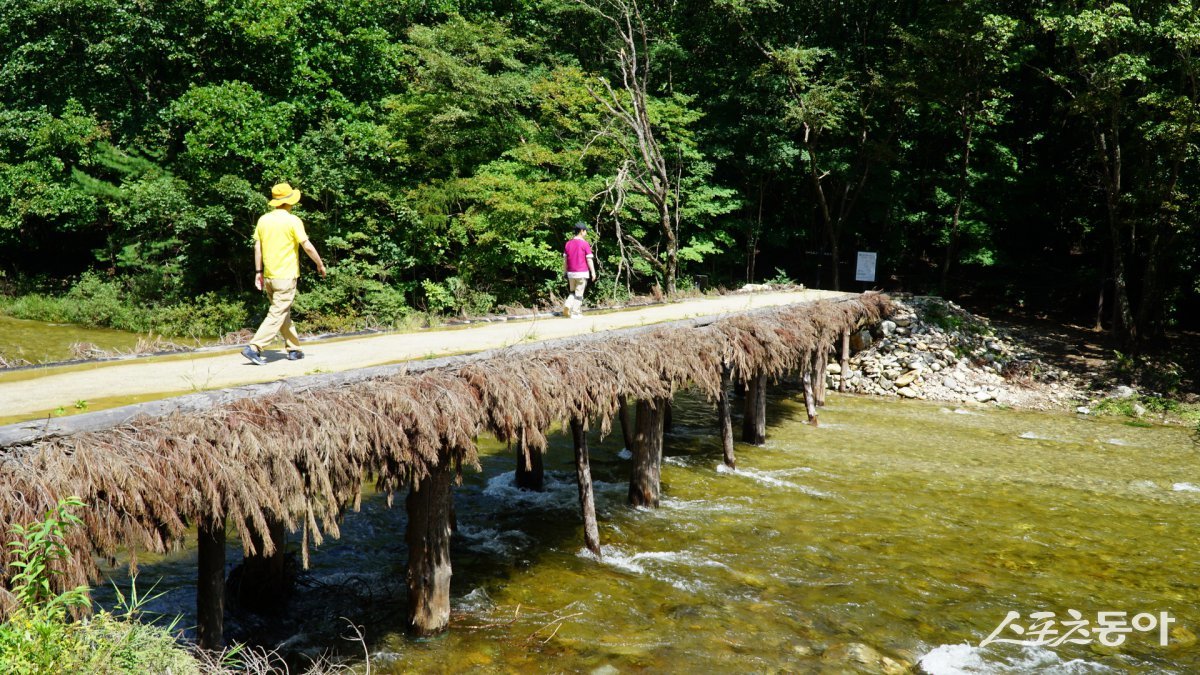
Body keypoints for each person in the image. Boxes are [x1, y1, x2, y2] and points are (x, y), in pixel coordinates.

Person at [242, 182, 326, 365]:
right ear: (289, 201)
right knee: (277, 314)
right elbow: (307, 246)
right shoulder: (293, 220)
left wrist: (259, 271)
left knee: (282, 313)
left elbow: (258, 246)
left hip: (270, 276)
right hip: (286, 277)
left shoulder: (263, 220)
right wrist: (319, 264)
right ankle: (254, 347)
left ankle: (294, 349)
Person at [563, 221, 596, 318]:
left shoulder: (568, 244)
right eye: (585, 231)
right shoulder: (585, 244)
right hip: (582, 273)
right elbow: (589, 260)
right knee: (579, 294)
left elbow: (565, 260)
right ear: (581, 231)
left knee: (572, 292)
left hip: (571, 273)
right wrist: (593, 272)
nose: (586, 233)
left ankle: (568, 304)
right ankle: (575, 313)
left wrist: (565, 272)